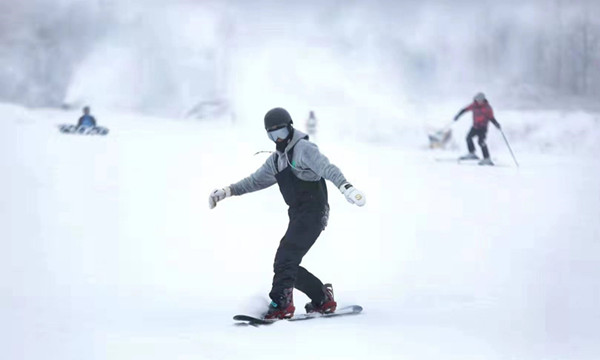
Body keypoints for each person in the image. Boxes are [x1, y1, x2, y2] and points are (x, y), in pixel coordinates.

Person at [208, 107, 366, 319]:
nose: (278, 138)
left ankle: (282, 304)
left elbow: (327, 168)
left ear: (290, 128)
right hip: (298, 215)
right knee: (285, 264)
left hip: (314, 212)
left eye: (281, 132)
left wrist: (347, 187)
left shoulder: (304, 149)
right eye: (272, 135)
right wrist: (228, 191)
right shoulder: (276, 161)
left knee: (285, 259)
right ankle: (322, 298)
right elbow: (254, 181)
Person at [454, 92, 501, 165]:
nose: (478, 101)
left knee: (481, 142)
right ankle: (472, 153)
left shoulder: (487, 108)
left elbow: (491, 118)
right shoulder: (474, 105)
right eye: (477, 100)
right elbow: (465, 109)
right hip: (475, 126)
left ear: (483, 100)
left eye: (480, 100)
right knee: (468, 138)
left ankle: (487, 158)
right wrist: (458, 115)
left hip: (483, 128)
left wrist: (496, 124)